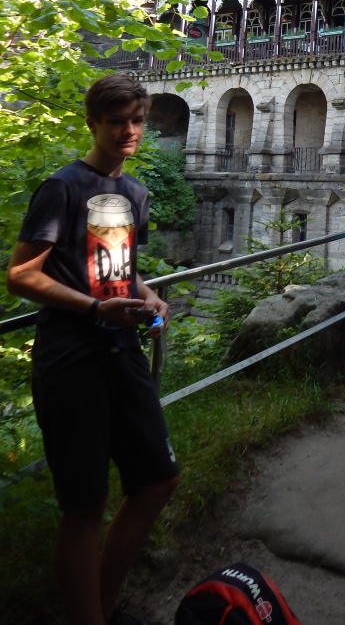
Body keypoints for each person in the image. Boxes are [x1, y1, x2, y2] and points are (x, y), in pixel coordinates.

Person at [6, 74, 179, 625]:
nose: (129, 131)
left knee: (157, 479)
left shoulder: (135, 194)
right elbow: (20, 275)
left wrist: (147, 296)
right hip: (71, 355)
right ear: (93, 123)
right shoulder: (63, 187)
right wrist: (92, 308)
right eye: (117, 122)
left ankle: (101, 606)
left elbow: (120, 270)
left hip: (121, 347)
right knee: (85, 506)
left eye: (137, 120)